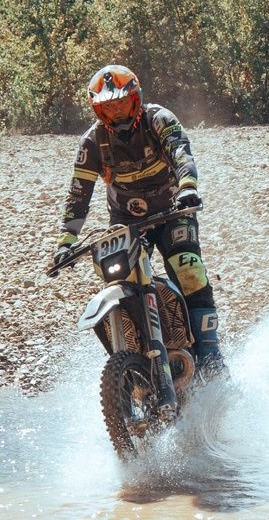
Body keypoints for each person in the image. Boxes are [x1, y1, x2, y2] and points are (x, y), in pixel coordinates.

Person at [53, 64, 227, 377]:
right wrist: (66, 240)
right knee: (115, 273)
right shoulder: (92, 142)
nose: (117, 111)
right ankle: (134, 359)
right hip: (126, 222)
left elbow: (181, 153)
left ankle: (211, 354)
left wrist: (188, 189)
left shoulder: (159, 118)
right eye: (108, 106)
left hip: (173, 211)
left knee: (188, 267)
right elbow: (78, 194)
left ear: (136, 98)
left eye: (122, 102)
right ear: (98, 109)